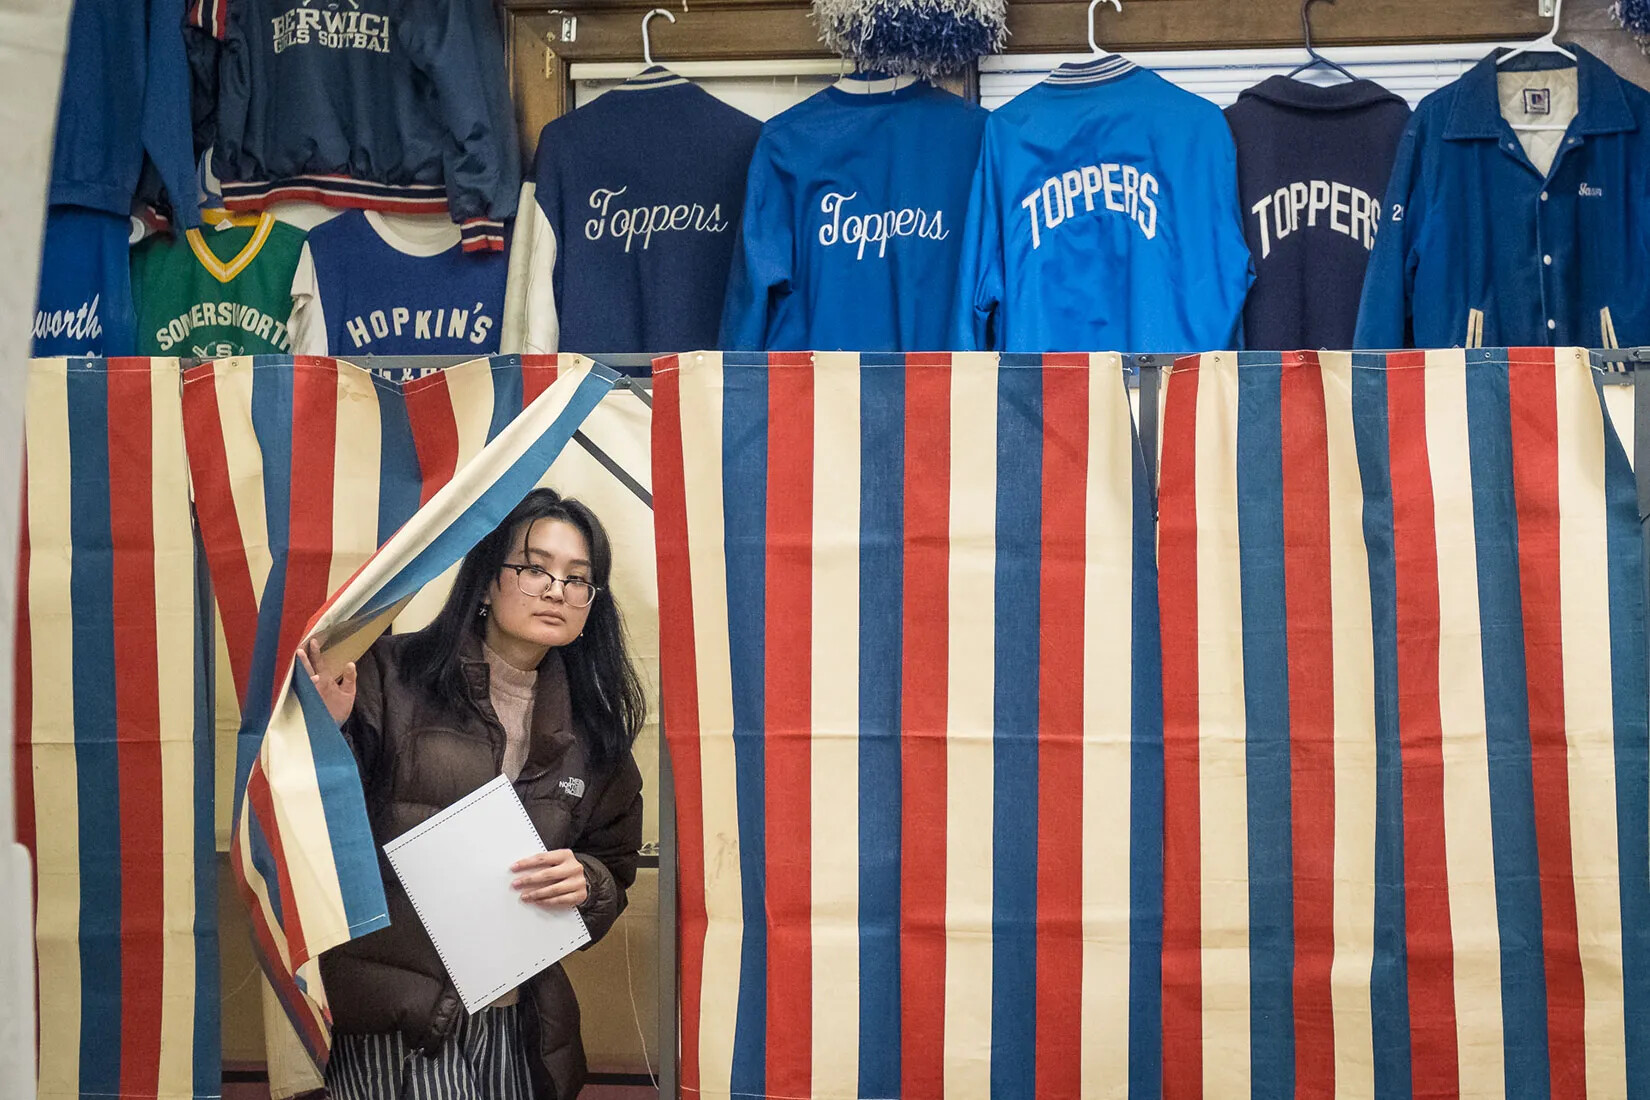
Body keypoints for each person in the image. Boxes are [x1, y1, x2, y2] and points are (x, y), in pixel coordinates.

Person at [297, 487, 646, 1100]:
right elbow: (317, 832)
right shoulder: (389, 674)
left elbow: (613, 871)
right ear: (485, 580)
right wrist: (325, 734)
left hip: (517, 1020)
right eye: (535, 567)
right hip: (394, 1012)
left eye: (577, 578)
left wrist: (587, 882)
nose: (555, 589)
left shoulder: (594, 736)